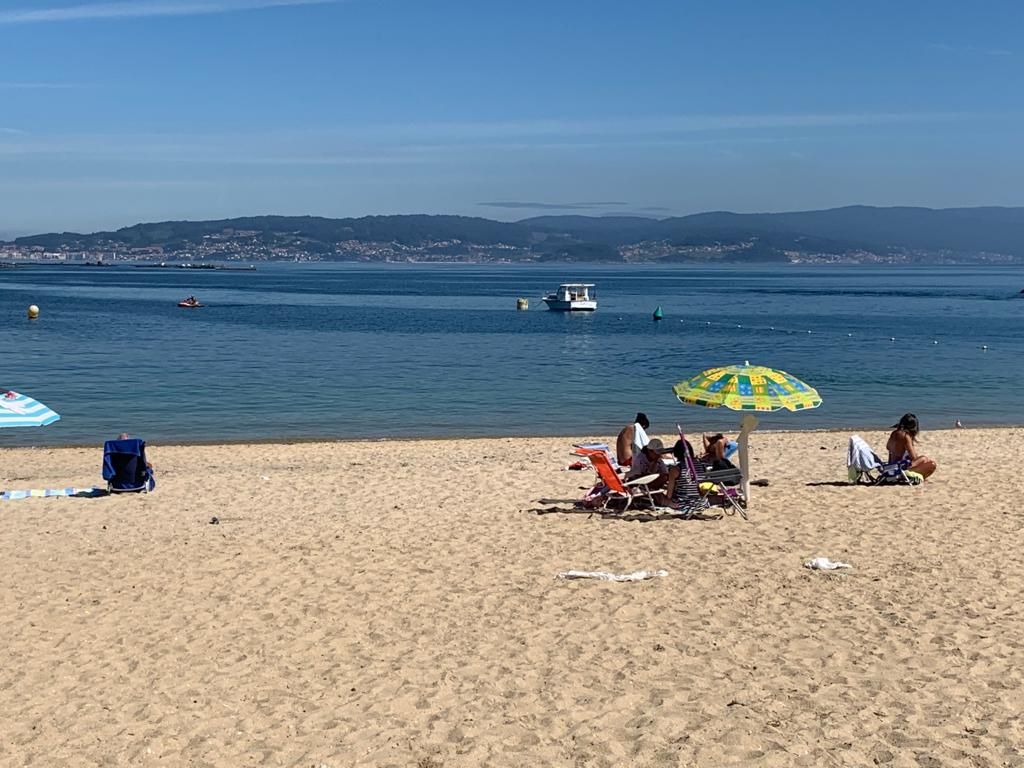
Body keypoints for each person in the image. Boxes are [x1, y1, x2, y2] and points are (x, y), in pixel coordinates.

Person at [886, 413, 937, 479]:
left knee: (923, 459)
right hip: (899, 469)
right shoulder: (905, 436)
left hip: (891, 466)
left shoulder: (894, 433)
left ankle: (916, 475)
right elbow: (913, 457)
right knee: (931, 463)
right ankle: (917, 477)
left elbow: (888, 447)